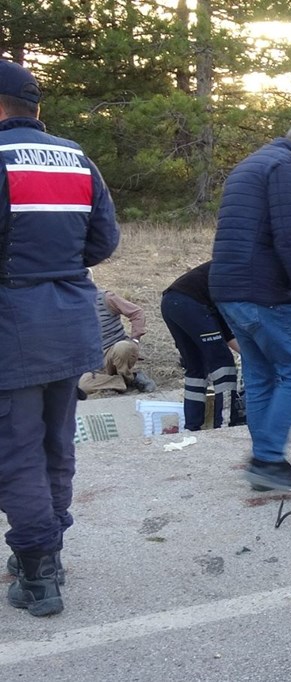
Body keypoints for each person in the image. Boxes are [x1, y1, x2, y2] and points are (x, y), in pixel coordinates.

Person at [0, 60, 119, 616]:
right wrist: (58, 267)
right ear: (34, 106)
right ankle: (49, 547)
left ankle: (37, 569)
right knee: (56, 444)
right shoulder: (77, 158)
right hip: (72, 317)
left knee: (17, 452)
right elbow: (103, 242)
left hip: (13, 324)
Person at [210, 118, 291, 491]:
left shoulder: (252, 163)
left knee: (262, 374)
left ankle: (266, 462)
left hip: (227, 287)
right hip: (262, 291)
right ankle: (267, 460)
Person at [161, 261, 241, 431]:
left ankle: (192, 426)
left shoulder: (227, 265)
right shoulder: (243, 269)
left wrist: (249, 352)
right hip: (191, 304)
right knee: (224, 364)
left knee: (196, 367)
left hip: (171, 303)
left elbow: (224, 331)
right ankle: (225, 424)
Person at [76, 275, 156, 396]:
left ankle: (125, 376)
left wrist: (135, 339)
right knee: (82, 385)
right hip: (93, 363)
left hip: (115, 352)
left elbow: (137, 313)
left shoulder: (106, 298)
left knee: (123, 347)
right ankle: (129, 380)